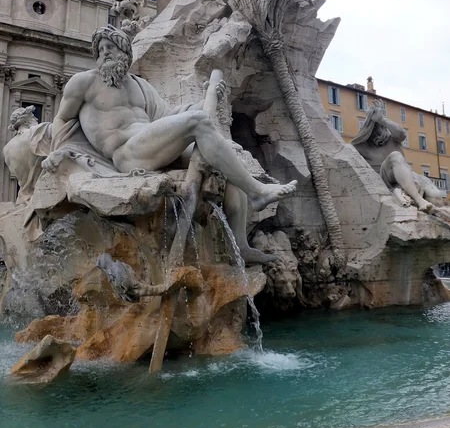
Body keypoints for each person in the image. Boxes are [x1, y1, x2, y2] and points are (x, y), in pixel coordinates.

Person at [43, 26, 297, 261]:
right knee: (199, 123)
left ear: (125, 52)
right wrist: (60, 153)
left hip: (153, 146)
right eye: (100, 50)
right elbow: (63, 119)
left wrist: (205, 101)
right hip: (126, 153)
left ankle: (240, 245)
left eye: (111, 47)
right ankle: (258, 192)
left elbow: (168, 117)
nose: (105, 53)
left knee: (225, 160)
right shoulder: (84, 82)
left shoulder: (141, 86)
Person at [352, 99, 444, 212]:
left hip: (405, 173)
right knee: (395, 156)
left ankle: (438, 214)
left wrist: (382, 119)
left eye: (381, 126)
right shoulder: (360, 146)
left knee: (435, 195)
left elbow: (401, 133)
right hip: (384, 178)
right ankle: (419, 200)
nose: (379, 129)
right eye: (375, 126)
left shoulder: (393, 137)